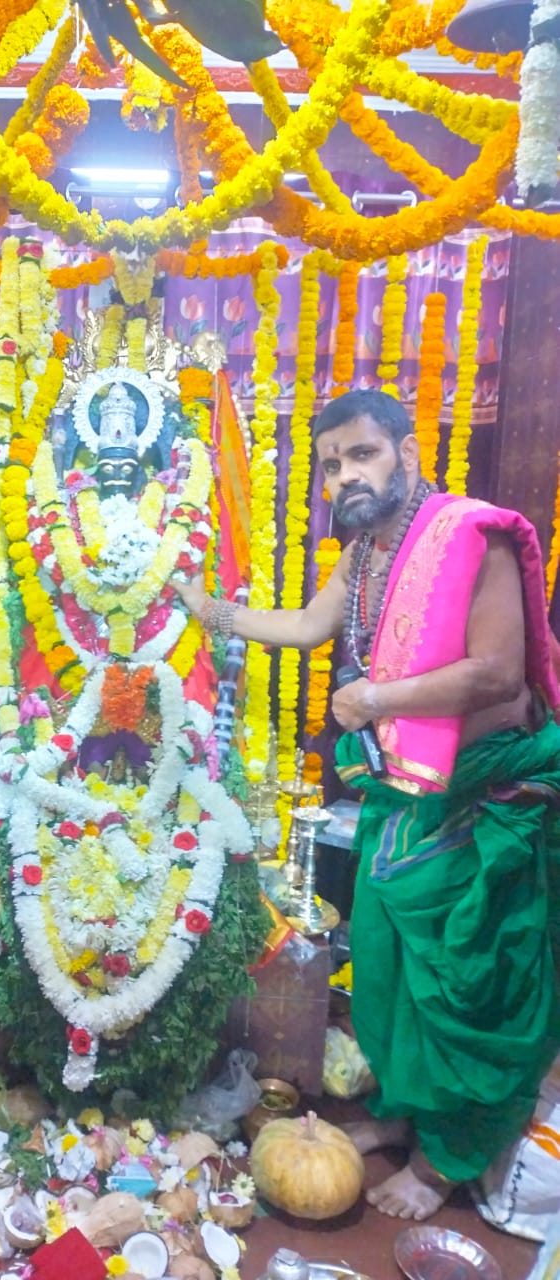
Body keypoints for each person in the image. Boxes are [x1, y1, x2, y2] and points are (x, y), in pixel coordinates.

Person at [178, 388, 560, 1221]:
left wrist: (377, 700)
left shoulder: (472, 534)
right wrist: (209, 612)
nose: (344, 476)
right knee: (387, 967)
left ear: (405, 453)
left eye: (361, 454)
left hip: (485, 794)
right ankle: (403, 1114)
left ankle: (444, 1158)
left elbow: (496, 672)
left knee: (466, 982)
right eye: (329, 465)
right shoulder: (364, 554)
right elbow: (308, 626)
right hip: (405, 793)